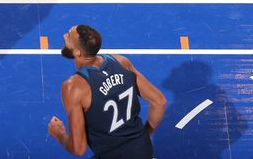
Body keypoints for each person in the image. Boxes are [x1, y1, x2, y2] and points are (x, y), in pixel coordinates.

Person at [48, 25, 167, 158]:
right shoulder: (121, 61)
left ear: (78, 53)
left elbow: (79, 149)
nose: (65, 36)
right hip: (143, 149)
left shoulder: (74, 87)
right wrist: (143, 136)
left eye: (69, 36)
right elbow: (159, 102)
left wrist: (60, 135)